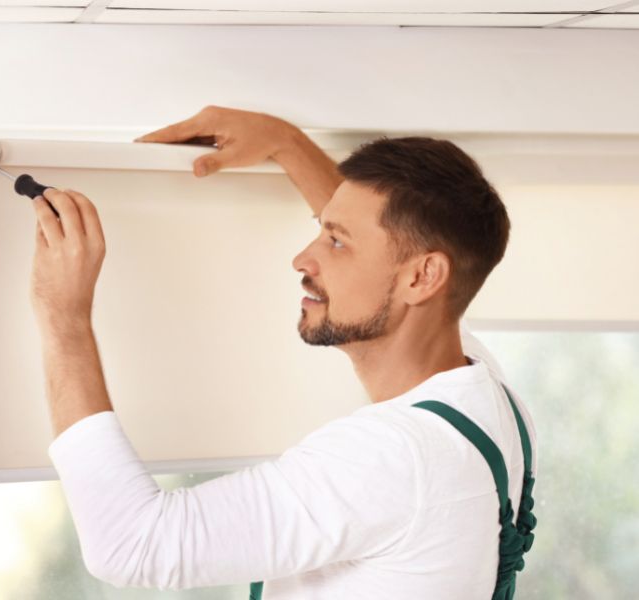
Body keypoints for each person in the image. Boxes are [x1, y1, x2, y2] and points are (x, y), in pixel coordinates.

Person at [28, 105, 538, 599]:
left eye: (335, 242)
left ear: (422, 277)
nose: (303, 258)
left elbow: (132, 543)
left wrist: (63, 315)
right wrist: (285, 143)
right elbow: (391, 254)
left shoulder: (390, 458)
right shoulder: (488, 402)